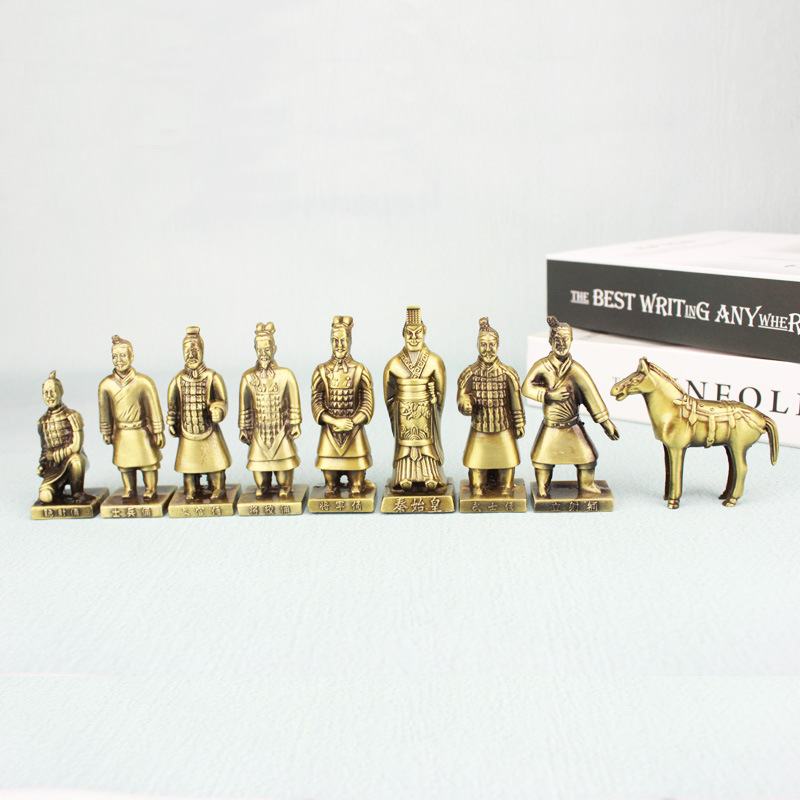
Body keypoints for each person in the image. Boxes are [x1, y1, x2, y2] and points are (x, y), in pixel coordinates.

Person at [522, 316, 619, 497]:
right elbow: (526, 388)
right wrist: (548, 395)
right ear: (550, 341)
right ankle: (543, 486)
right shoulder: (542, 366)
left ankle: (587, 485)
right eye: (557, 339)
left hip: (572, 424)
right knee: (543, 460)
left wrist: (606, 423)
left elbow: (592, 397)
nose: (561, 343)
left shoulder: (576, 370)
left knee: (587, 458)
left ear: (571, 341)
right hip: (551, 425)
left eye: (565, 339)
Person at [457, 317, 525, 496]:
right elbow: (462, 396)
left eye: (492, 345)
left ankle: (506, 488)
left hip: (503, 428)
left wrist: (519, 424)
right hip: (479, 428)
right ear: (477, 346)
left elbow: (515, 402)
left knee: (506, 468)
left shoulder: (508, 373)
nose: (488, 349)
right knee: (477, 470)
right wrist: (465, 404)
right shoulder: (470, 373)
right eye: (483, 345)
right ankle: (478, 488)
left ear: (498, 345)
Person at [383, 306, 447, 492]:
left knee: (426, 446)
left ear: (424, 333)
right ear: (403, 334)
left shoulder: (434, 361)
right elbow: (388, 396)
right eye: (409, 333)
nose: (413, 338)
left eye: (418, 333)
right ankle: (403, 476)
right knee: (406, 448)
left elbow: (441, 394)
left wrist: (434, 400)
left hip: (426, 413)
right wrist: (396, 411)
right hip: (403, 413)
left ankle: (431, 475)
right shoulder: (394, 363)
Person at [311, 315, 374, 497]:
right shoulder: (321, 370)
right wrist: (333, 421)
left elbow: (367, 402)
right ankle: (331, 484)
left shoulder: (360, 370)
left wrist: (353, 421)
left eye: (343, 340)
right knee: (330, 483)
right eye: (335, 340)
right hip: (330, 432)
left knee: (356, 484)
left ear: (350, 341)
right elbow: (316, 402)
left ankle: (357, 484)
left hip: (354, 431)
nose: (339, 345)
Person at [167, 326, 232, 501]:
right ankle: (190, 489)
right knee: (189, 465)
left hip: (209, 429)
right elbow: (173, 405)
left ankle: (218, 487)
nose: (191, 355)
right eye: (187, 351)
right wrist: (172, 422)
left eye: (195, 351)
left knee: (215, 463)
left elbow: (222, 401)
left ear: (202, 351)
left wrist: (219, 410)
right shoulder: (178, 380)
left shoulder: (213, 377)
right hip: (187, 429)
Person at [238, 322, 302, 499]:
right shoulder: (248, 377)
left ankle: (285, 487)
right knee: (260, 470)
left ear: (274, 348)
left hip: (281, 430)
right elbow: (245, 406)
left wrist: (295, 423)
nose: (263, 354)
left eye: (267, 349)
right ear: (255, 350)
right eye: (260, 350)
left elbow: (293, 402)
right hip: (259, 431)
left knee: (283, 468)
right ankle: (263, 486)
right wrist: (244, 427)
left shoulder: (285, 375)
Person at [98, 335, 165, 500]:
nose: (119, 360)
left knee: (148, 463)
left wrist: (158, 431)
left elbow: (154, 409)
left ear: (131, 356)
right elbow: (104, 411)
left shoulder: (143, 382)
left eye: (123, 355)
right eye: (115, 356)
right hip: (122, 431)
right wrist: (106, 431)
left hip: (141, 430)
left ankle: (150, 489)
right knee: (125, 465)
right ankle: (129, 489)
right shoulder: (106, 385)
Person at [36, 370, 89, 504]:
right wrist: (42, 464)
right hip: (53, 467)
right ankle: (57, 491)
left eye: (52, 392)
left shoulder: (72, 416)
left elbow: (76, 446)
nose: (49, 396)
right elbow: (44, 447)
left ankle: (78, 494)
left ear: (60, 392)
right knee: (46, 496)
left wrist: (58, 454)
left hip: (71, 462)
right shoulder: (42, 422)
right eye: (46, 393)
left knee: (76, 459)